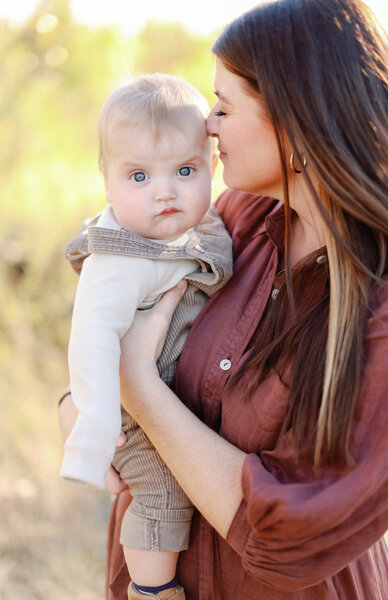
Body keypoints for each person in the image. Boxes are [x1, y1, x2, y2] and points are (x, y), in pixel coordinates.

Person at [59, 0, 388, 598]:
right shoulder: (233, 223)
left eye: (223, 105)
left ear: (298, 120)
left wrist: (133, 381)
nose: (207, 125)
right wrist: (82, 407)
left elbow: (289, 534)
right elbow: (125, 306)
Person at [59, 73, 232, 600]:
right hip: (127, 413)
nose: (165, 192)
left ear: (212, 166)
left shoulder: (198, 228)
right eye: (139, 176)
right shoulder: (118, 257)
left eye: (184, 170)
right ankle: (151, 591)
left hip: (166, 395)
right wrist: (94, 422)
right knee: (160, 493)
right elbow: (90, 340)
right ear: (107, 181)